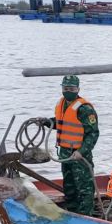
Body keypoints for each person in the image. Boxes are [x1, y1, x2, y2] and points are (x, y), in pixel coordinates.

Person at [41, 75, 99, 216]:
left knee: (84, 187)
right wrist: (46, 122)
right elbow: (62, 123)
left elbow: (93, 133)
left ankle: (86, 216)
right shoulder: (61, 104)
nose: (68, 91)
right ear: (62, 88)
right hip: (65, 154)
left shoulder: (85, 109)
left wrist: (82, 151)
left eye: (71, 88)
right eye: (65, 88)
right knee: (69, 186)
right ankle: (72, 212)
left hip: (79, 156)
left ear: (77, 89)